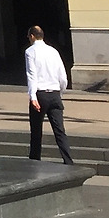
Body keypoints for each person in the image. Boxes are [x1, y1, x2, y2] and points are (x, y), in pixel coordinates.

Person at [25, 24, 73, 163]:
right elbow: (62, 76)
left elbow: (31, 75)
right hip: (54, 94)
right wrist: (60, 92)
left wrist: (32, 96)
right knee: (60, 130)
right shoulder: (53, 51)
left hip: (40, 94)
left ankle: (35, 160)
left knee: (36, 131)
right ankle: (68, 160)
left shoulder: (30, 51)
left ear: (32, 36)